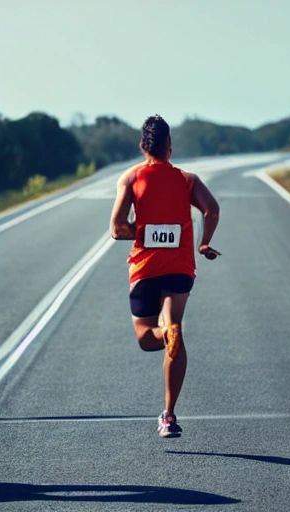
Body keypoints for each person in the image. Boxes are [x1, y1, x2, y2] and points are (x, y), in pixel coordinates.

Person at [109, 114, 220, 438]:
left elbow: (116, 228)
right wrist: (203, 242)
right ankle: (169, 415)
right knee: (174, 325)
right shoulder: (187, 180)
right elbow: (211, 209)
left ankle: (164, 335)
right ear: (169, 146)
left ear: (143, 146)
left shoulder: (131, 178)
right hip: (179, 268)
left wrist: (141, 232)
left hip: (145, 268)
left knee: (146, 338)